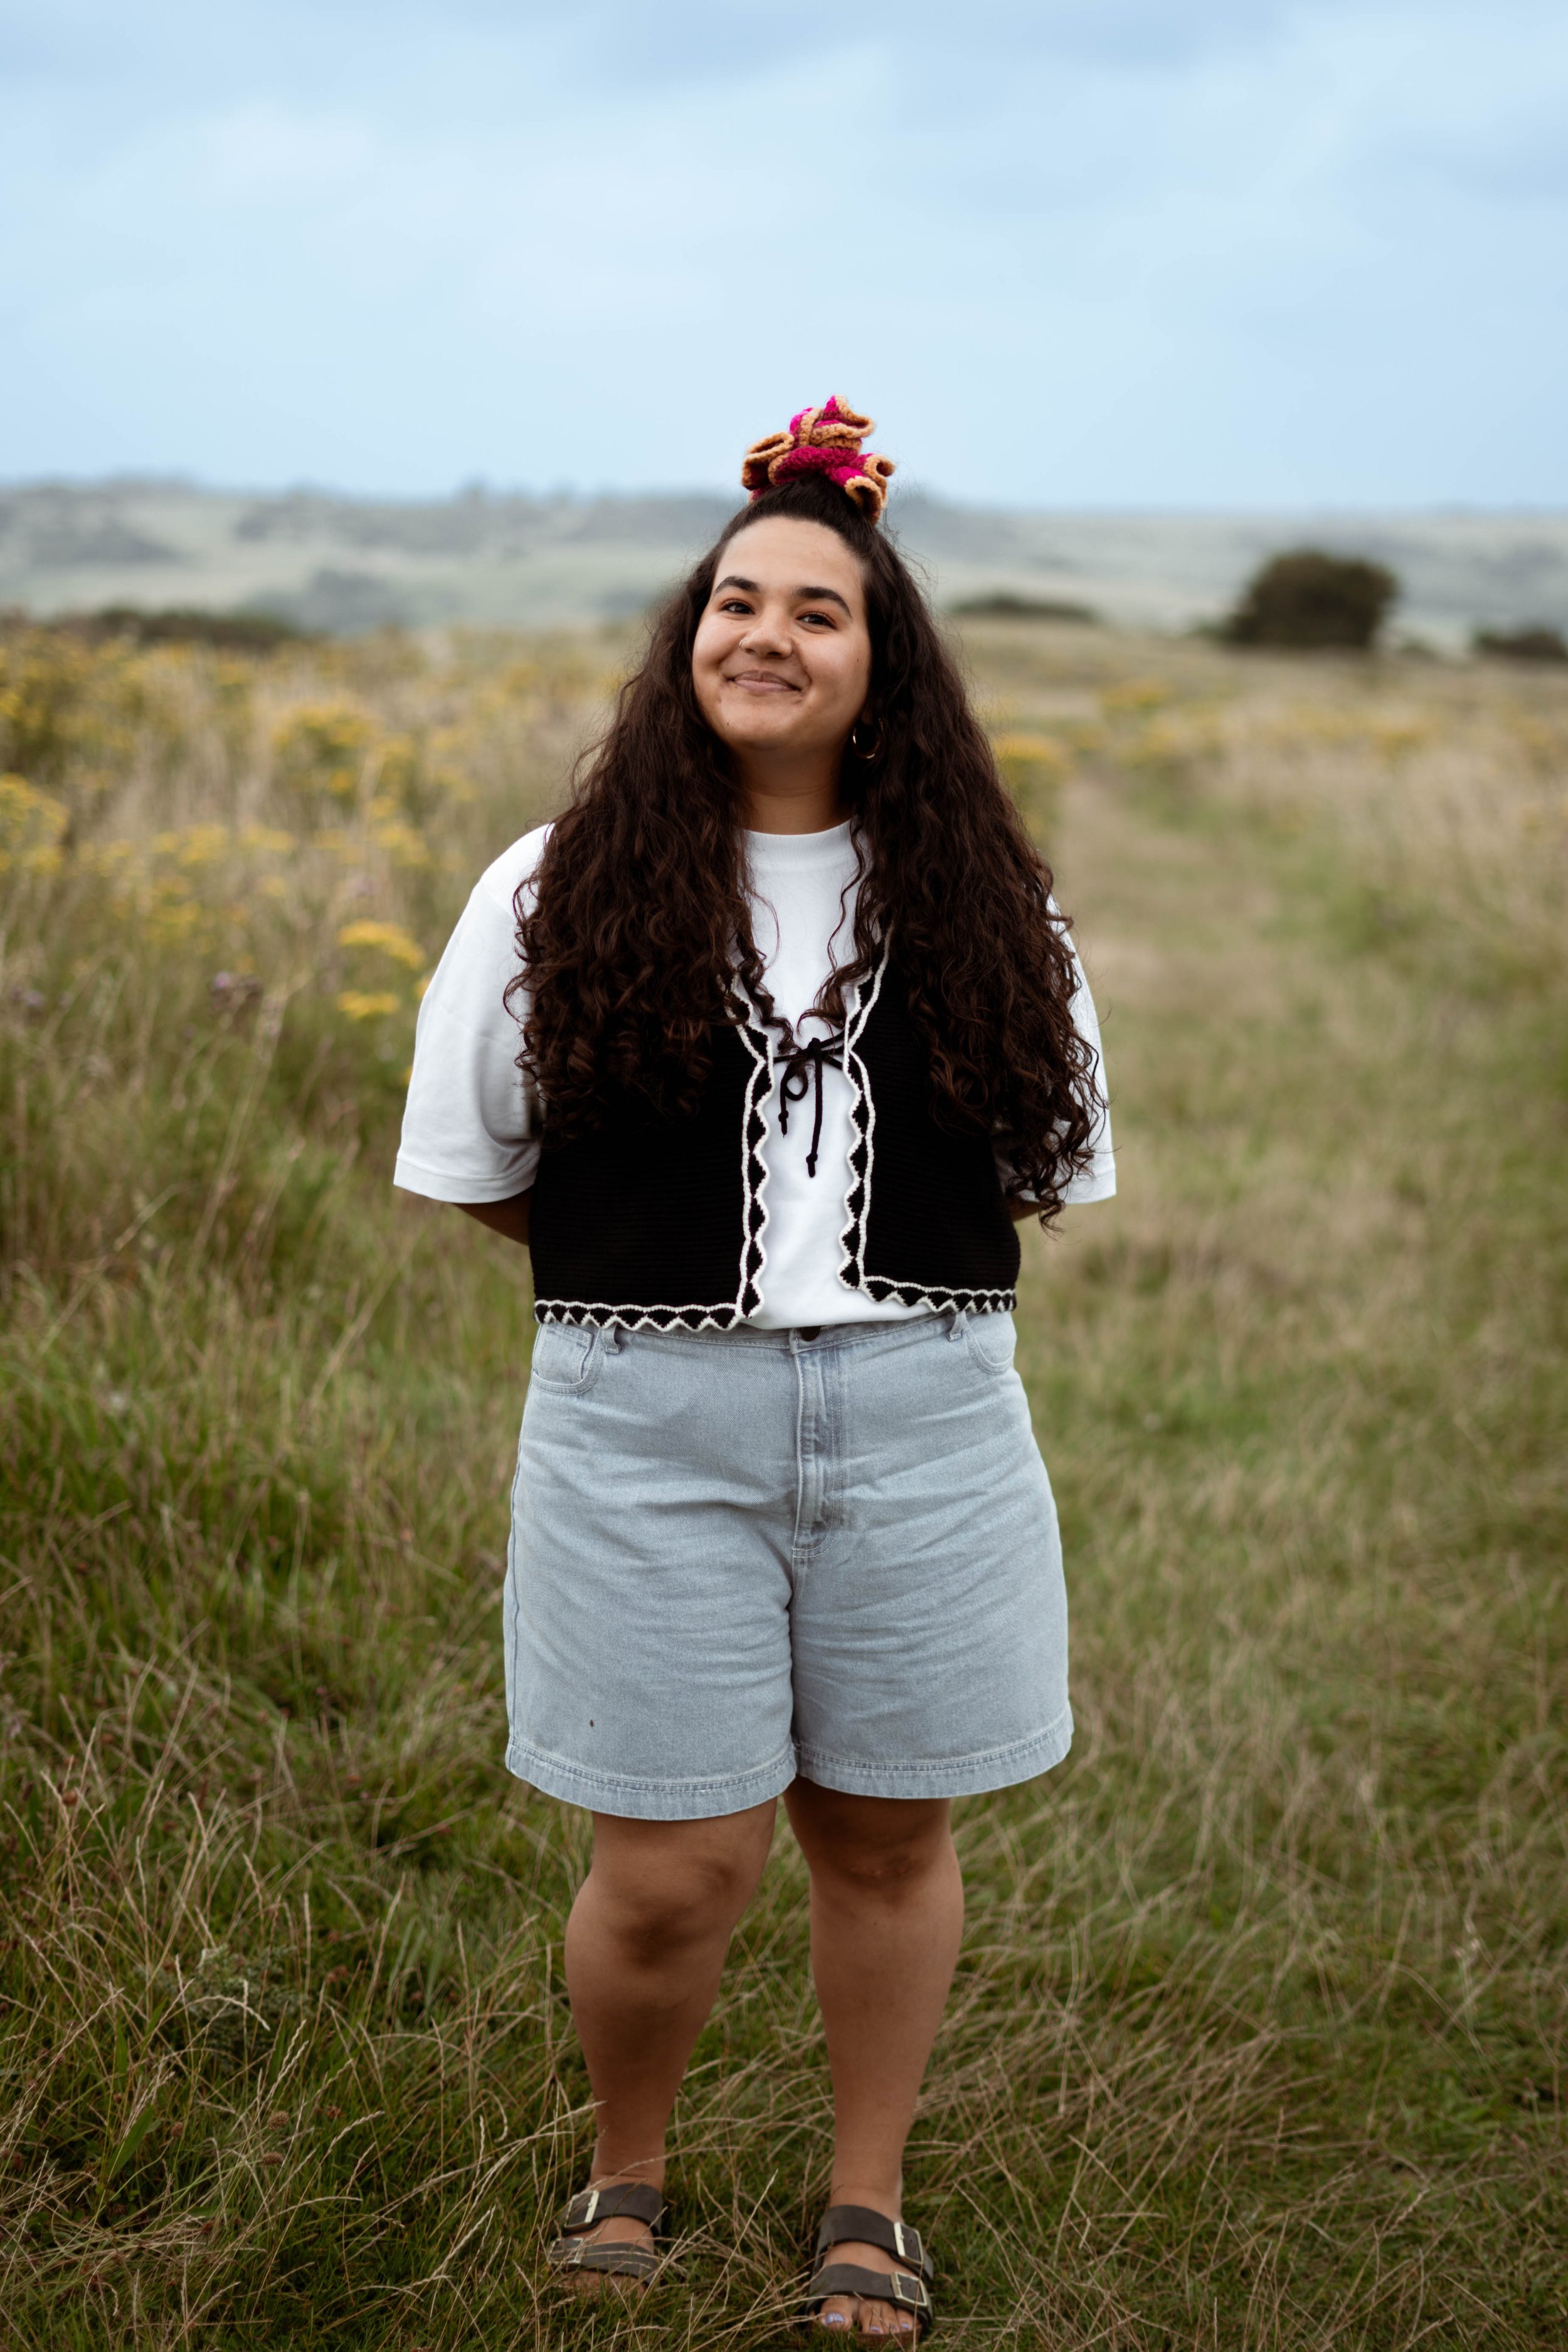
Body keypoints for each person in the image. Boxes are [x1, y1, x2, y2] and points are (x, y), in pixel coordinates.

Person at [395, 398, 1115, 2337]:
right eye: (735, 599)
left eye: (817, 607)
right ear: (685, 637)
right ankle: (626, 2163)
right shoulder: (554, 885)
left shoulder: (983, 900)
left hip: (928, 1410)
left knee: (886, 1830)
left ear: (883, 669)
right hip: (639, 1417)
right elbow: (475, 1168)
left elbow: (1052, 1160)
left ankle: (862, 2204)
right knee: (673, 1868)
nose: (766, 632)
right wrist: (660, 1286)